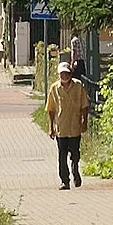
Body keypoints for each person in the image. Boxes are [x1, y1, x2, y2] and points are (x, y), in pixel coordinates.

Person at [47, 60, 91, 190]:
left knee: (75, 154)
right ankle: (64, 181)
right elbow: (51, 109)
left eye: (66, 73)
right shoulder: (54, 88)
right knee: (62, 155)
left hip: (74, 127)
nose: (64, 76)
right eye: (62, 74)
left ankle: (75, 171)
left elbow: (84, 105)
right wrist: (51, 127)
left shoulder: (78, 86)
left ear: (70, 74)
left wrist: (84, 121)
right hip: (61, 127)